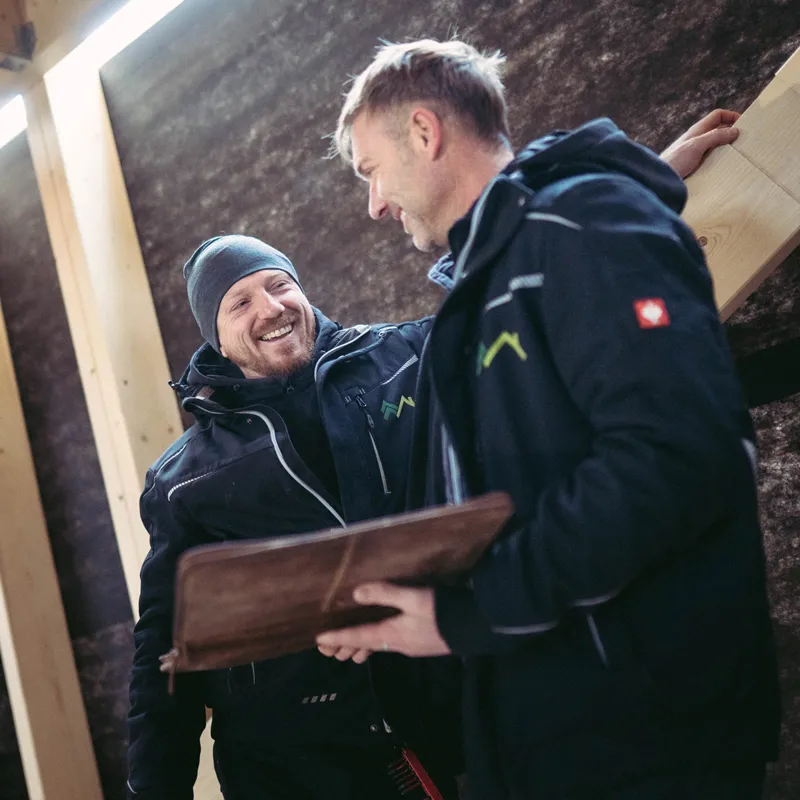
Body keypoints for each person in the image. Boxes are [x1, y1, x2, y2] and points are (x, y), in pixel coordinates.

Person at [317, 39, 782, 799]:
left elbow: (676, 456)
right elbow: (512, 496)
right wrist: (402, 596)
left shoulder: (582, 223)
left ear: (425, 133)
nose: (374, 204)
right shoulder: (487, 286)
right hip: (549, 737)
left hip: (643, 737)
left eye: (371, 169)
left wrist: (469, 613)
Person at [126, 234, 462, 800]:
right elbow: (164, 647)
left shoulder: (405, 358)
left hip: (449, 714)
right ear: (217, 340)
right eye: (239, 302)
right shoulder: (183, 480)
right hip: (297, 765)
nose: (270, 307)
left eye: (279, 285)